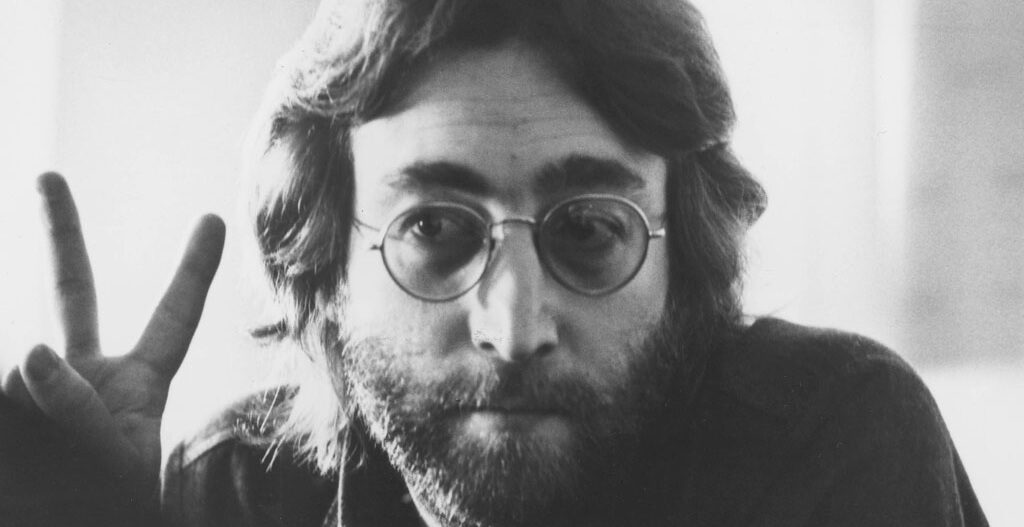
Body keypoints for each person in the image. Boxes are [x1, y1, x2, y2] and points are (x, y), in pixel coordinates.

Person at [0, 1, 989, 526]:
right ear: (324, 267)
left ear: (684, 256)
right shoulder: (238, 493)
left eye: (589, 231)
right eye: (434, 229)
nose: (513, 327)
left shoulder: (827, 441)